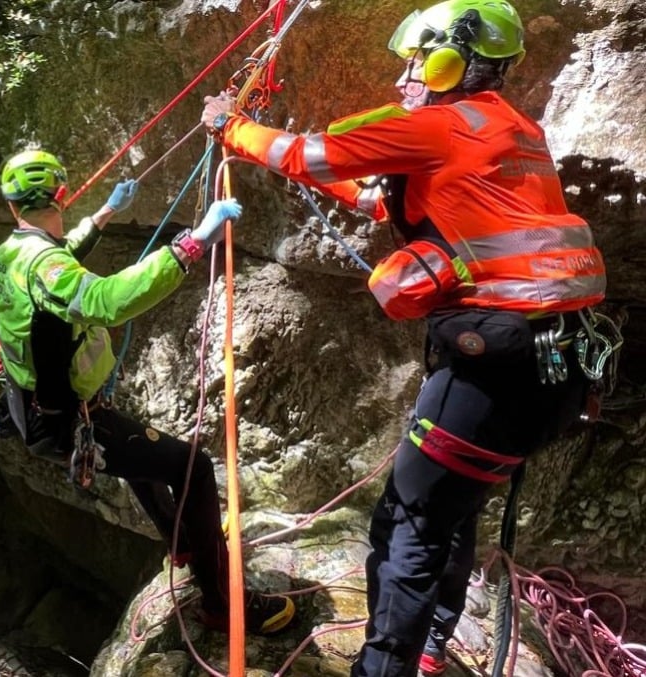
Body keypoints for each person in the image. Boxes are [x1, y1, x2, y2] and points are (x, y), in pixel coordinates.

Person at [200, 0, 606, 674]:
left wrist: (231, 126)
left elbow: (309, 154)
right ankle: (435, 642)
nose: (402, 79)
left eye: (415, 62)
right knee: (453, 504)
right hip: (556, 371)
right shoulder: (516, 132)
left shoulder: (440, 126)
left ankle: (383, 667)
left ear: (452, 61)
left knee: (407, 529)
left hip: (490, 379)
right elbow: (398, 197)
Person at [0, 148, 296, 636]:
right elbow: (103, 300)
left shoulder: (11, 253)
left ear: (12, 207)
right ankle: (222, 603)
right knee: (192, 466)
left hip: (35, 411)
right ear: (62, 194)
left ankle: (184, 542)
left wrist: (106, 214)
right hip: (68, 423)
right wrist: (191, 245)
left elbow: (56, 258)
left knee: (141, 460)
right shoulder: (41, 264)